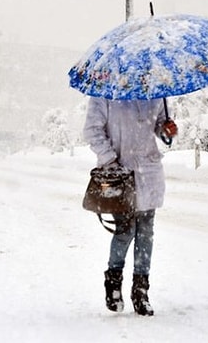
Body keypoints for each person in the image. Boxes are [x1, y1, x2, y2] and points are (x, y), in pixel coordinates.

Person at [83, 98, 178, 316]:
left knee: (146, 233)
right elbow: (92, 131)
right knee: (125, 231)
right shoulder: (106, 93)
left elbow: (160, 127)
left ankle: (141, 291)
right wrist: (110, 161)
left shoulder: (154, 93)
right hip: (120, 174)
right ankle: (114, 282)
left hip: (149, 171)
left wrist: (167, 130)